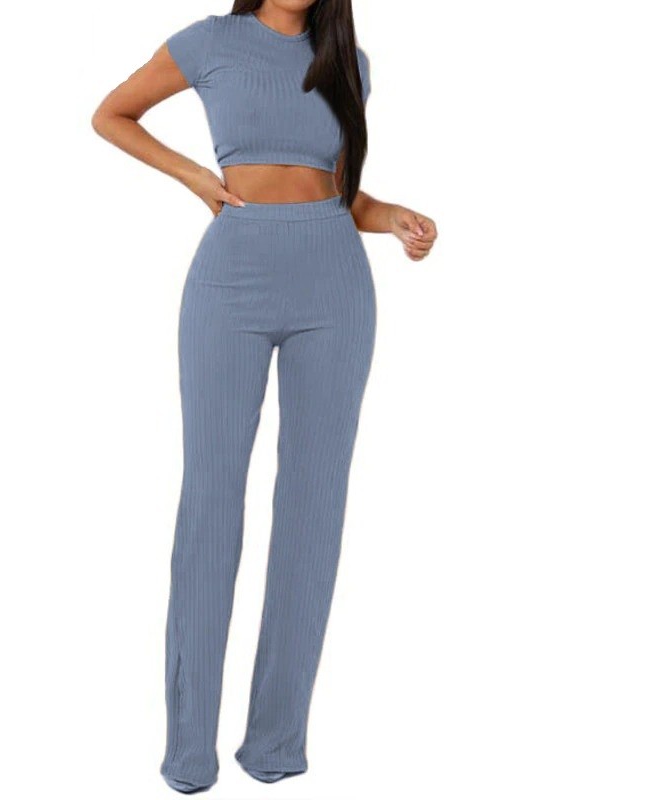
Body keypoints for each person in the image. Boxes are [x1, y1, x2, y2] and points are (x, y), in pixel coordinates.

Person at [92, 1, 438, 792]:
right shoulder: (208, 42)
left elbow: (342, 194)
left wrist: (395, 220)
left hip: (335, 285)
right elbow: (112, 114)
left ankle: (277, 743)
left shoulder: (348, 64)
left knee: (314, 514)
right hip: (231, 280)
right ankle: (189, 751)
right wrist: (194, 177)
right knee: (211, 508)